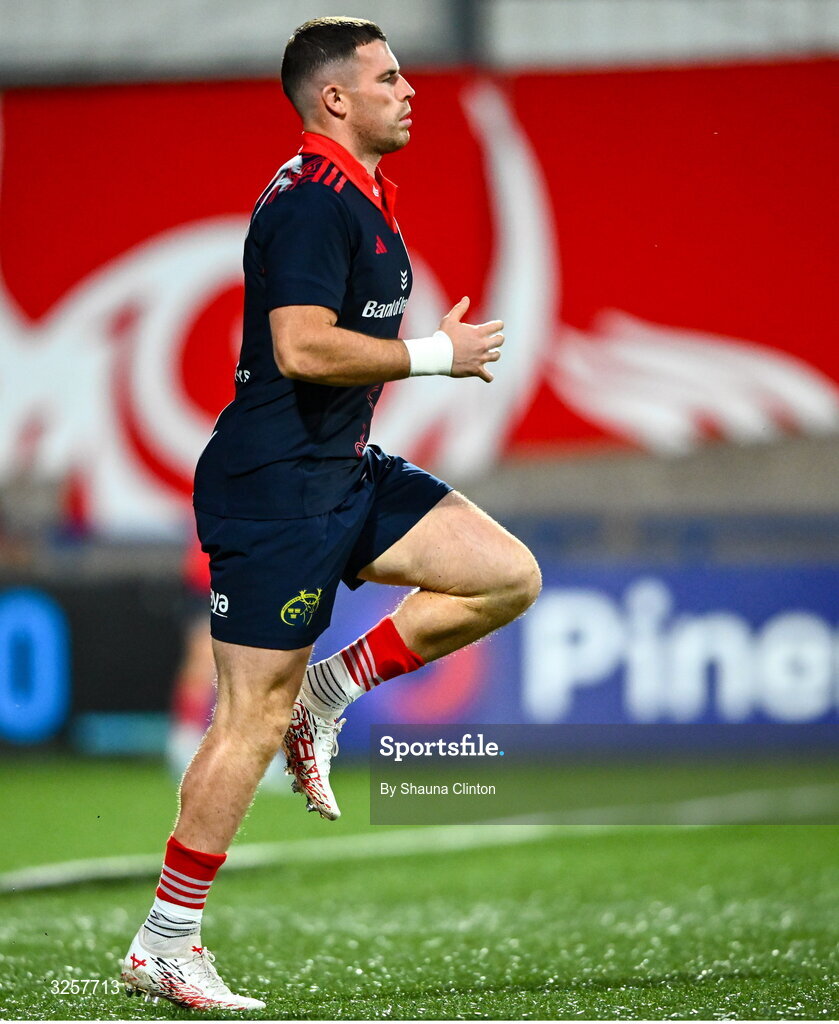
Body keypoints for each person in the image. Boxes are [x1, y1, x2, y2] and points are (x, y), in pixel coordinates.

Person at [120, 16, 541, 1012]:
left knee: (504, 574)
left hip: (342, 469)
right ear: (334, 99)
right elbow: (303, 348)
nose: (410, 90)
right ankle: (166, 941)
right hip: (275, 491)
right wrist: (435, 356)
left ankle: (332, 689)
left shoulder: (359, 193)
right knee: (244, 718)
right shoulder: (310, 204)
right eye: (389, 78)